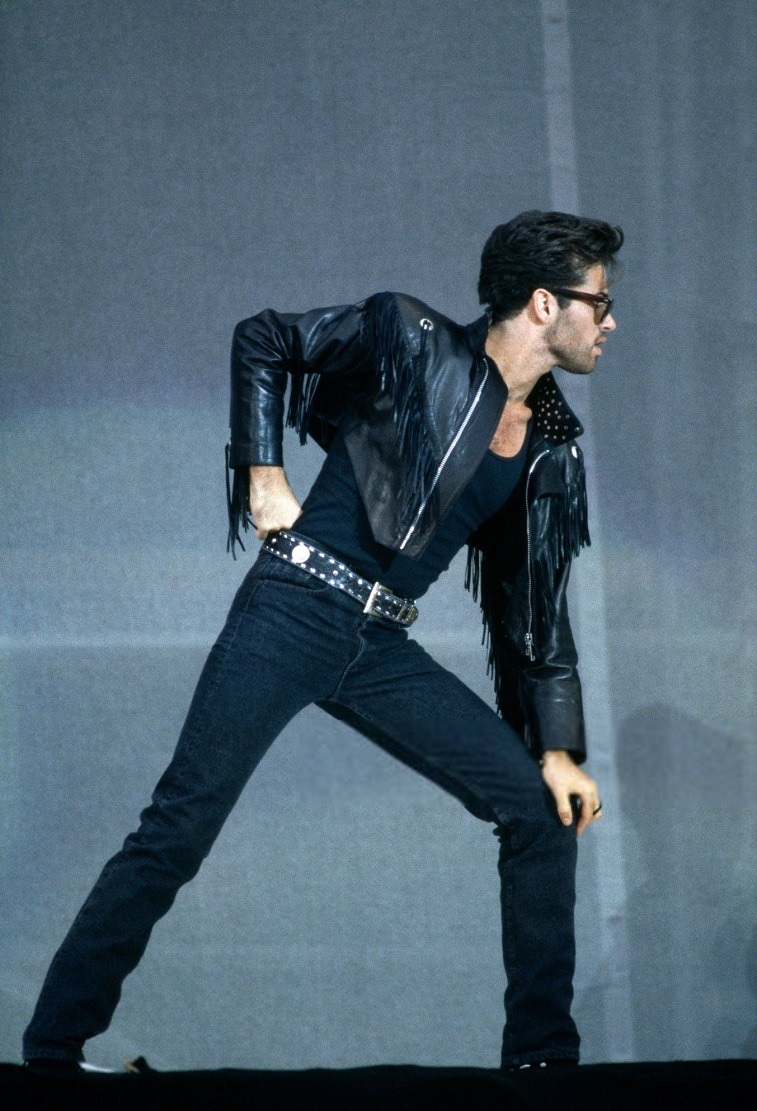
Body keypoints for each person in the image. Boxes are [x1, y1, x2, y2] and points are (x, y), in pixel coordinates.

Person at [23, 209, 622, 1074]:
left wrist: (557, 746)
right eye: (598, 303)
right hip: (293, 606)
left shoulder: (547, 448)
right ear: (541, 303)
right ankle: (51, 1054)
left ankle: (542, 1059)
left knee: (537, 810)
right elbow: (264, 338)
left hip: (378, 643)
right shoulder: (411, 337)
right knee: (178, 829)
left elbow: (538, 613)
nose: (609, 322)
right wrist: (263, 478)